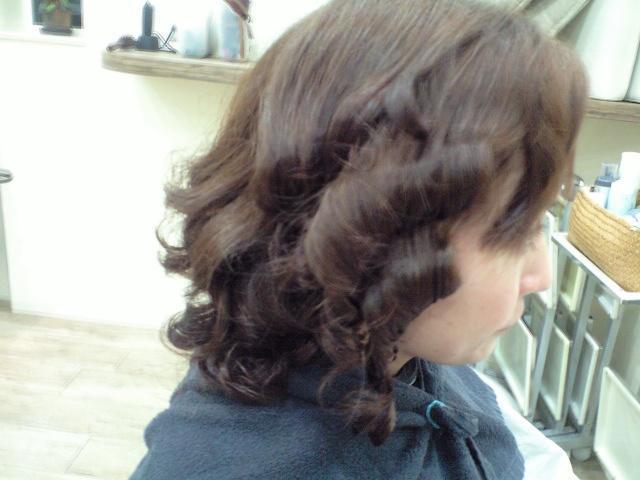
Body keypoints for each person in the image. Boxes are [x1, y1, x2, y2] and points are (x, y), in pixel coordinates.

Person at [130, 0, 587, 478]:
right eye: (516, 230)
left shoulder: (404, 349)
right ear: (376, 236)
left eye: (541, 221)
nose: (542, 276)